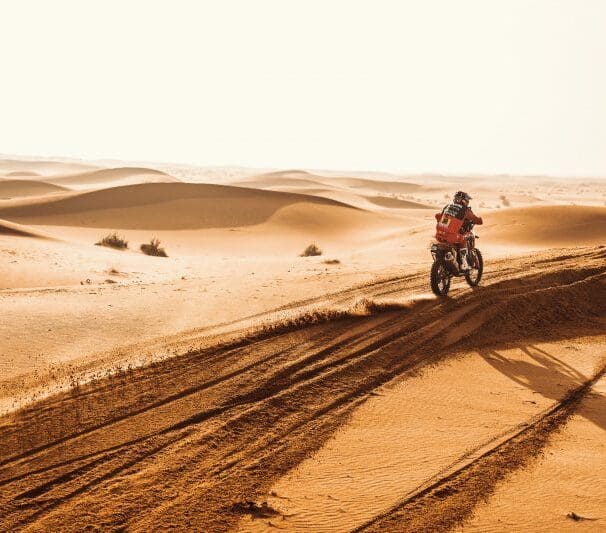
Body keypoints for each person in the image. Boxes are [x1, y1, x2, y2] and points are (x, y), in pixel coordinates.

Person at [434, 191, 483, 270]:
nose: (468, 202)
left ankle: (449, 260)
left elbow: (438, 216)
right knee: (463, 238)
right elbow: (476, 220)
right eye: (467, 200)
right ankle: (464, 264)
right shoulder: (465, 210)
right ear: (463, 200)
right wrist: (480, 220)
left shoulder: (447, 207)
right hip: (452, 237)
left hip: (439, 235)